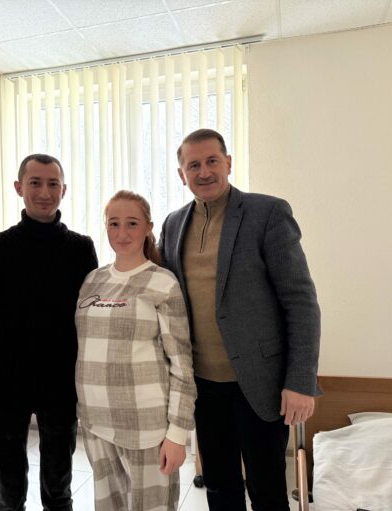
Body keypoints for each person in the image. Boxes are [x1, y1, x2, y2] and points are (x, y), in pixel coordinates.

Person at [158, 129, 321, 511]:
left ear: (228, 163)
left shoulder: (267, 213)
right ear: (181, 174)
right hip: (202, 386)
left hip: (260, 385)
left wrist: (300, 381)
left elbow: (301, 301)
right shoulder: (172, 224)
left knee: (267, 490)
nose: (204, 171)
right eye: (193, 165)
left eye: (212, 161)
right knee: (219, 487)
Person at [0, 153, 98, 511]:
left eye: (53, 184)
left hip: (61, 383)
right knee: (8, 494)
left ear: (64, 190)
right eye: (35, 183)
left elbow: (91, 322)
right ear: (18, 187)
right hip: (5, 385)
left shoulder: (81, 249)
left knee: (58, 490)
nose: (44, 192)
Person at [75, 190, 197, 511]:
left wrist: (177, 434)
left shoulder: (163, 283)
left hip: (146, 427)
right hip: (96, 423)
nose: (122, 233)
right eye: (114, 223)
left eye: (132, 223)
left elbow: (182, 366)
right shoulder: (92, 281)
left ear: (148, 228)